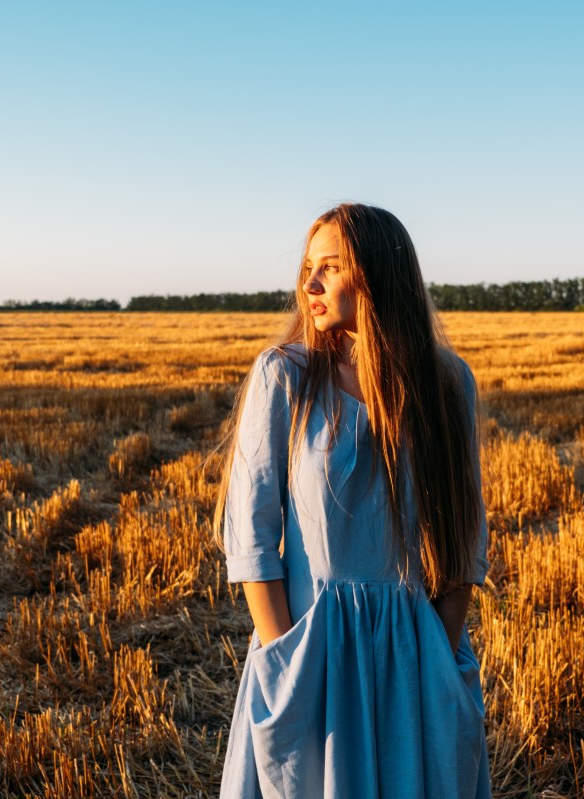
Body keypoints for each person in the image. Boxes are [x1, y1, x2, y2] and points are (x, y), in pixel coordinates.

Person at [215, 203, 491, 798]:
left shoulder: (448, 384)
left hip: (416, 654)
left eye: (331, 268)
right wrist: (285, 657)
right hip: (313, 652)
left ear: (377, 275)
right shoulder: (283, 375)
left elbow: (463, 537)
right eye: (308, 268)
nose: (310, 284)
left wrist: (438, 660)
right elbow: (252, 539)